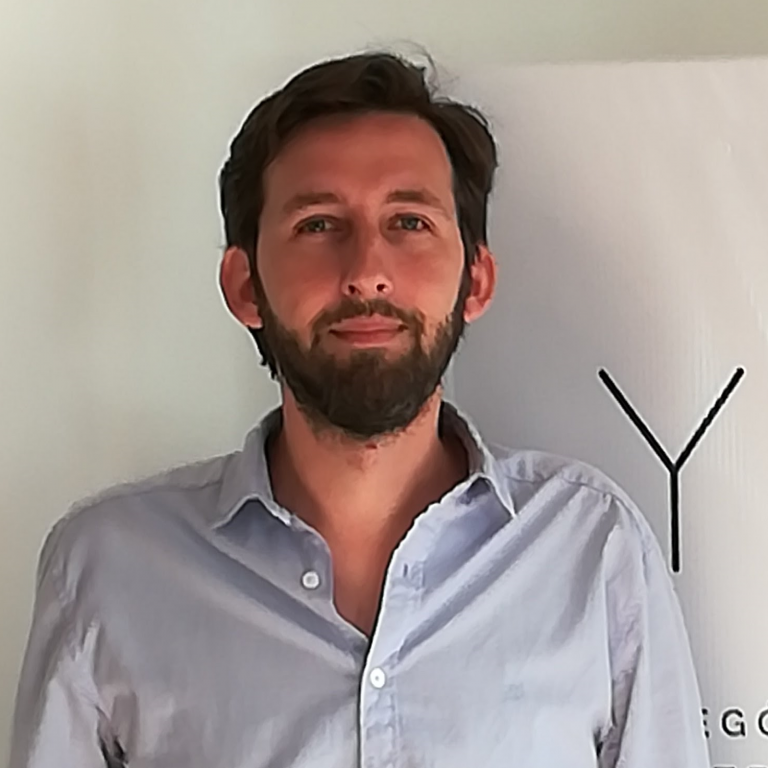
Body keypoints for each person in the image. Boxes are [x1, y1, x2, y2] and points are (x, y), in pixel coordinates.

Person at [8, 50, 710, 768]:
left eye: (409, 221)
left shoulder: (592, 549)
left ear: (475, 280)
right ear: (245, 286)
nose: (367, 271)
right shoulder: (106, 570)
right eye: (318, 225)